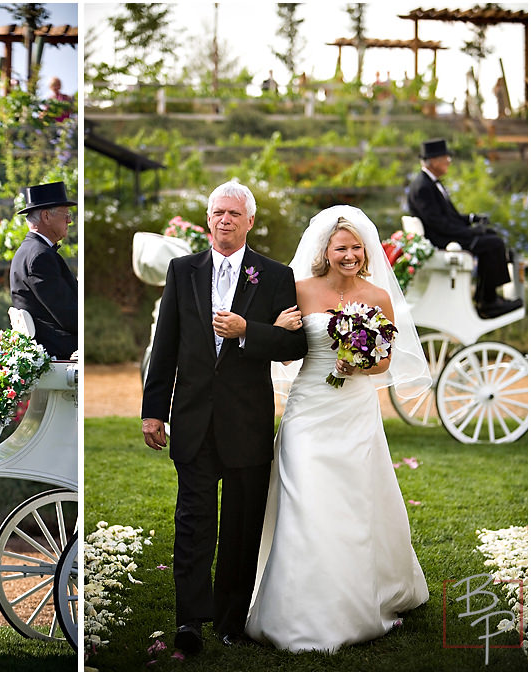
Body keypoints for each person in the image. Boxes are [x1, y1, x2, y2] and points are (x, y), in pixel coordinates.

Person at [246, 205, 431, 653]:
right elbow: (286, 350)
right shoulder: (300, 290)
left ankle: (353, 599)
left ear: (366, 252)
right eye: (340, 247)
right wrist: (277, 327)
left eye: (356, 247)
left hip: (354, 410)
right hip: (308, 408)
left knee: (352, 501)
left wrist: (360, 361)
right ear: (325, 251)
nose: (349, 254)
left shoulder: (378, 297)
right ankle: (296, 607)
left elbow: (385, 360)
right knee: (306, 495)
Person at [141, 180, 308, 653]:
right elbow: (165, 347)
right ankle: (190, 623)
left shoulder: (274, 276)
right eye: (218, 212)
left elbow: (295, 346)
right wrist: (153, 411)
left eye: (235, 213)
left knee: (240, 528)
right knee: (193, 526)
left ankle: (231, 621)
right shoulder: (182, 271)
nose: (225, 220)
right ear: (208, 218)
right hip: (192, 420)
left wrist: (247, 331)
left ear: (250, 221)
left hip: (246, 423)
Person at [407, 138, 522, 318]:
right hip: (442, 240)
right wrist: (471, 232)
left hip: (445, 234)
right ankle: (488, 302)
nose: (449, 161)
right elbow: (439, 224)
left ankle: (487, 297)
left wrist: (471, 219)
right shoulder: (423, 187)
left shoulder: (431, 183)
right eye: (446, 157)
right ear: (434, 160)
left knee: (490, 236)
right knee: (494, 243)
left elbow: (449, 217)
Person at [10, 181, 78, 360]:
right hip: (58, 350)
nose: (69, 220)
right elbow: (69, 316)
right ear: (46, 216)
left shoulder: (31, 251)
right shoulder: (40, 256)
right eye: (66, 214)